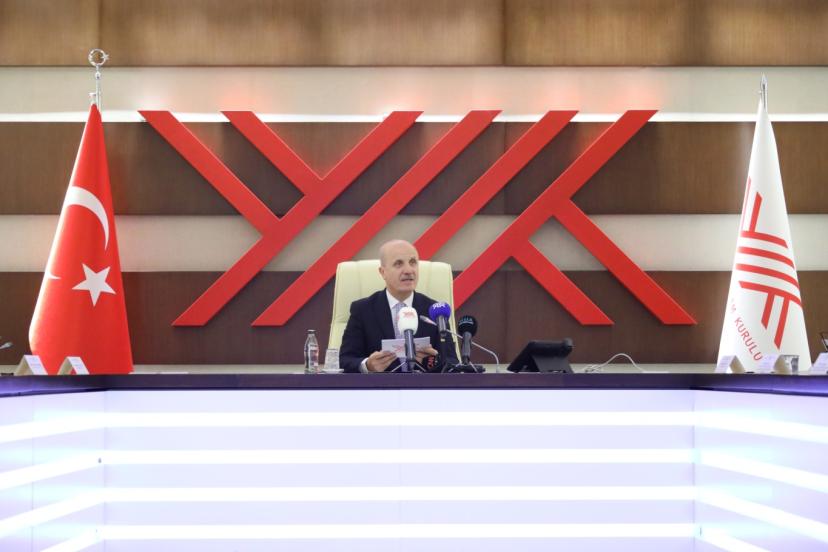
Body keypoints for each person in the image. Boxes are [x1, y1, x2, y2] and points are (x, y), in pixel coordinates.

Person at [339, 239, 459, 373]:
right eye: (398, 264)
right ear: (382, 272)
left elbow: (452, 363)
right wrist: (368, 365)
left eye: (413, 262)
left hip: (423, 385)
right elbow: (346, 360)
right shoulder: (363, 310)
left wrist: (433, 361)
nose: (408, 270)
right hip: (380, 385)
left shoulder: (435, 311)